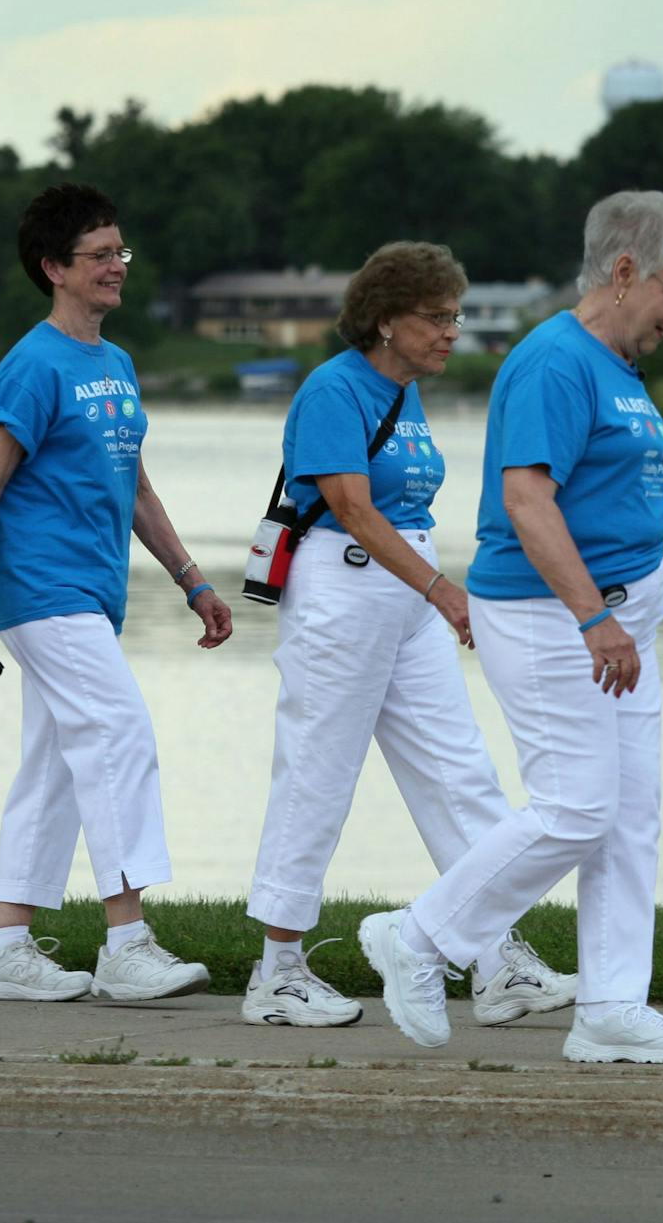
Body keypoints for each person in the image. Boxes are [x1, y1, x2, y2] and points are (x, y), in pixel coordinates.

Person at [359, 191, 663, 1063]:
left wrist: (620, 613)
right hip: (553, 618)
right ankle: (421, 936)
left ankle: (611, 1009)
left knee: (629, 817)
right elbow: (526, 500)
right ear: (624, 271)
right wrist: (595, 615)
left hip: (622, 624)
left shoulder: (615, 367)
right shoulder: (554, 363)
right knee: (578, 807)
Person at [242, 242, 574, 1030]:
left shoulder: (409, 394)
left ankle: (495, 961)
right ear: (386, 320)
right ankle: (277, 970)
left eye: (456, 315)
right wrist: (441, 588)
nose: (452, 331)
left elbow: (404, 511)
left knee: (459, 768)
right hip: (346, 587)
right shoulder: (334, 389)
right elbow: (353, 507)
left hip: (405, 589)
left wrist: (435, 587)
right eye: (437, 316)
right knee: (318, 770)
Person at [0, 183, 233, 1003]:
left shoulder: (115, 364)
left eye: (120, 252)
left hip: (93, 595)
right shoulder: (31, 366)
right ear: (53, 269)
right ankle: (127, 940)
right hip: (42, 591)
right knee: (119, 731)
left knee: (59, 765)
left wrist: (192, 581)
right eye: (99, 255)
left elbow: (134, 488)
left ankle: (4, 947)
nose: (117, 267)